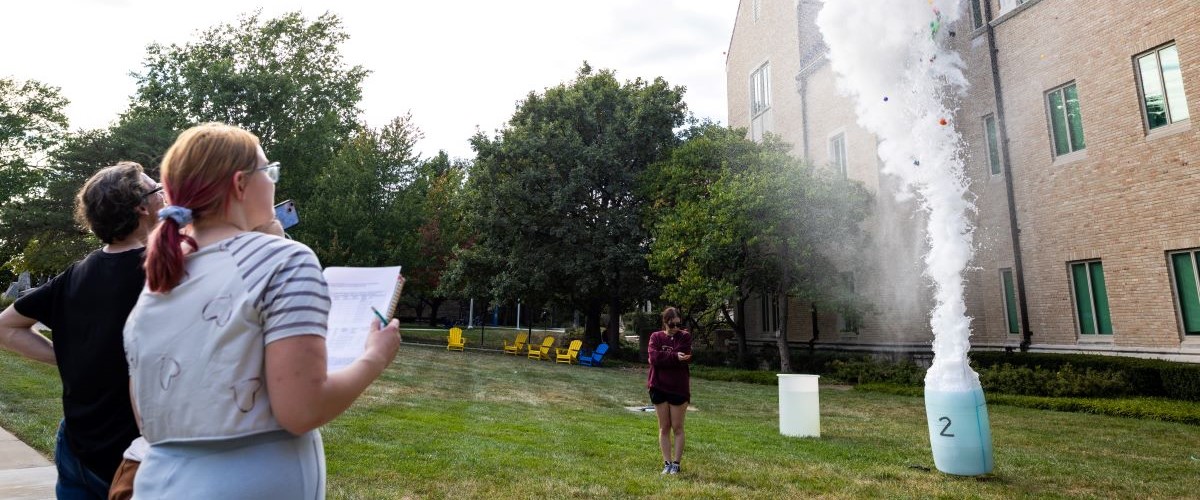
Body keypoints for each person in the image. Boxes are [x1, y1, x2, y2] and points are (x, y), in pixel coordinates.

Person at [124, 123, 402, 498]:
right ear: (240, 184)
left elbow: (147, 416)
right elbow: (302, 410)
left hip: (158, 482)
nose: (273, 182)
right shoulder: (286, 260)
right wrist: (375, 358)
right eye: (269, 172)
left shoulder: (160, 282)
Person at [0, 162, 165, 499]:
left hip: (77, 446)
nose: (164, 191)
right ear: (142, 206)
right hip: (134, 456)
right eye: (155, 187)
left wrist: (70, 358)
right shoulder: (162, 271)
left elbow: (6, 327)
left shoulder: (77, 273)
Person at [647, 306, 692, 475]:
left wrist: (666, 357)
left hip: (678, 388)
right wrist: (674, 357)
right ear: (665, 322)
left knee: (678, 427)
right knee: (664, 427)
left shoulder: (685, 336)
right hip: (658, 385)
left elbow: (683, 355)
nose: (675, 328)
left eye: (677, 324)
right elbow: (653, 358)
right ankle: (666, 463)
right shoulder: (655, 337)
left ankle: (676, 464)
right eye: (671, 325)